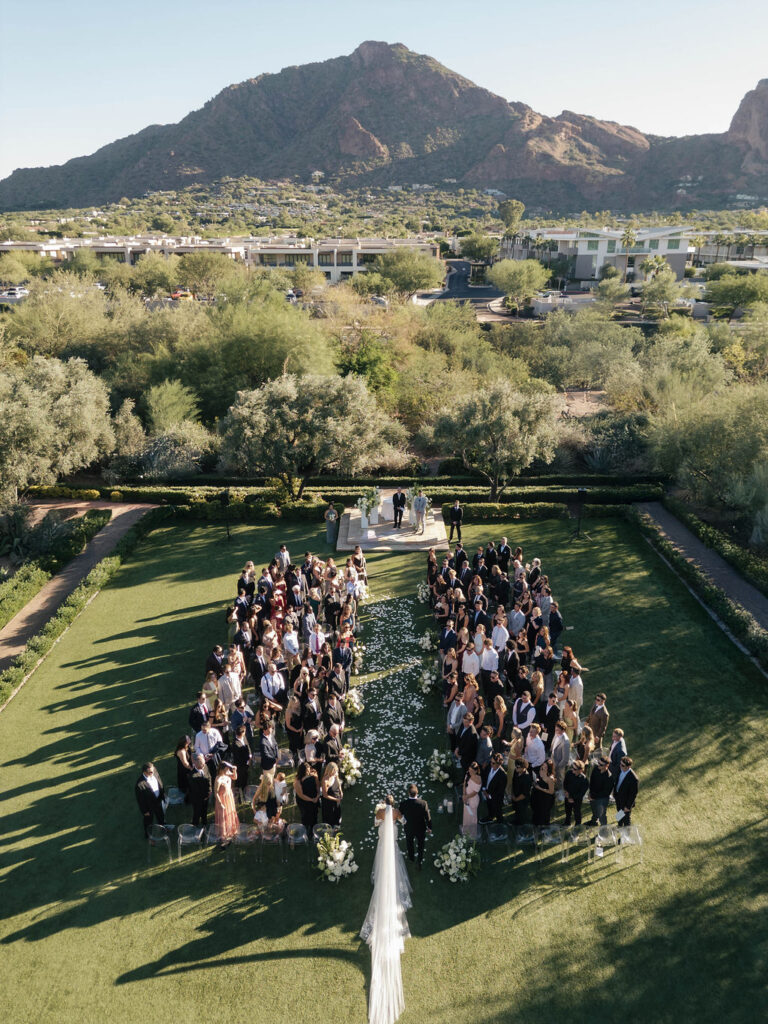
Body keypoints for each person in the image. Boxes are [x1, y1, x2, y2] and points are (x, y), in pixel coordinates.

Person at [361, 795, 413, 1024]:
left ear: (384, 802)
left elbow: (376, 820)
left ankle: (382, 887)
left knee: (381, 876)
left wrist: (382, 811)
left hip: (383, 849)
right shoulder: (396, 814)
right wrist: (397, 816)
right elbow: (402, 822)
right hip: (390, 849)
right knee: (390, 875)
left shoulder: (381, 813)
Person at [398, 784, 432, 866]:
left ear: (408, 793)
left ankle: (411, 857)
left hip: (409, 828)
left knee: (409, 842)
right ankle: (419, 859)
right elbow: (428, 817)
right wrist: (429, 827)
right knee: (421, 844)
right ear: (417, 792)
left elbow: (400, 814)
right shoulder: (423, 803)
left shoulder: (403, 804)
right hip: (420, 828)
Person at [135, 762, 166, 838]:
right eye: (151, 772)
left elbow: (159, 781)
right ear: (144, 772)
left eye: (153, 770)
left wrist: (162, 793)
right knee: (148, 820)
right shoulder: (140, 785)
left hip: (158, 799)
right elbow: (140, 800)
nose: (153, 772)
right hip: (149, 805)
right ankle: (148, 834)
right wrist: (145, 811)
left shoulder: (154, 771)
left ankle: (163, 826)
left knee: (160, 814)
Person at [214, 762, 239, 846]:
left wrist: (234, 770)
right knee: (223, 817)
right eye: (226, 769)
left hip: (229, 797)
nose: (227, 771)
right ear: (221, 769)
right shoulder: (218, 779)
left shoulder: (227, 774)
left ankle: (231, 831)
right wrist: (220, 803)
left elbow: (234, 777)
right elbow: (215, 793)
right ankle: (223, 836)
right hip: (222, 799)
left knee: (230, 814)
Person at [588, 755, 614, 826]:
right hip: (593, 795)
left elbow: (605, 793)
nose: (598, 765)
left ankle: (603, 829)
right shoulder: (596, 769)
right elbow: (591, 781)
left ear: (607, 766)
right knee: (594, 811)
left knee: (601, 815)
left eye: (601, 764)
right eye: (598, 763)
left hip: (602, 799)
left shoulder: (609, 777)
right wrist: (590, 793)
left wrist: (593, 796)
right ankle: (594, 822)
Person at [294, 761, 320, 834]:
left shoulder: (313, 775)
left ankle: (313, 828)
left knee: (314, 813)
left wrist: (317, 795)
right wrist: (312, 800)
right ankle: (305, 829)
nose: (308, 771)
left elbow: (317, 785)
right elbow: (301, 795)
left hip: (314, 796)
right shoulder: (298, 780)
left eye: (309, 769)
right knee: (306, 814)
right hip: (304, 800)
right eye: (307, 770)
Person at [613, 756, 638, 827]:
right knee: (619, 813)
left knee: (626, 820)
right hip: (618, 798)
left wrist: (628, 806)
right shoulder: (620, 769)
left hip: (626, 802)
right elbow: (617, 781)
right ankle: (619, 825)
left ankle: (626, 836)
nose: (620, 766)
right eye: (620, 764)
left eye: (623, 765)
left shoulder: (634, 779)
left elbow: (633, 794)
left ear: (628, 766)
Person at [188, 754, 212, 828]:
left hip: (206, 796)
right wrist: (204, 797)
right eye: (201, 764)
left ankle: (204, 823)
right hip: (197, 799)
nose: (203, 765)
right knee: (197, 812)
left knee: (204, 811)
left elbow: (209, 777)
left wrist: (210, 790)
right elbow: (196, 790)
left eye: (203, 763)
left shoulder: (205, 766)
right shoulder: (192, 776)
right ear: (195, 763)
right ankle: (195, 825)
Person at [563, 760, 589, 826]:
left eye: (574, 769)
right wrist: (566, 793)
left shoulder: (584, 780)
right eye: (572, 767)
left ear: (580, 770)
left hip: (577, 799)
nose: (572, 770)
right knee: (567, 811)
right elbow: (565, 783)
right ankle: (567, 822)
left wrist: (572, 798)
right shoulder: (569, 773)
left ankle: (578, 825)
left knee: (577, 812)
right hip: (568, 796)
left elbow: (581, 794)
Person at [483, 753, 507, 824]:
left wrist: (490, 796)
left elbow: (500, 790)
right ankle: (490, 817)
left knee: (498, 811)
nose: (491, 764)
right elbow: (485, 778)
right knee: (489, 806)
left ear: (499, 764)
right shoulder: (489, 767)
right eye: (491, 762)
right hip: (487, 791)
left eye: (493, 763)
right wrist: (484, 789)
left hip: (496, 797)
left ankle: (500, 824)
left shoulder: (502, 775)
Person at [531, 758, 555, 826]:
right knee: (536, 810)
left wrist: (539, 788)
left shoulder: (550, 778)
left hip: (545, 798)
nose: (543, 768)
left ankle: (543, 826)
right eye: (543, 766)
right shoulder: (540, 770)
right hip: (537, 795)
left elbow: (551, 792)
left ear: (549, 768)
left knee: (543, 813)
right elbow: (539, 778)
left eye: (545, 767)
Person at [461, 762, 482, 838]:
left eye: (472, 771)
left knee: (472, 816)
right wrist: (464, 795)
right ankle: (466, 830)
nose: (470, 772)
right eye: (469, 770)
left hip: (473, 800)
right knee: (466, 815)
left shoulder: (478, 779)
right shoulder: (467, 774)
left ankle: (472, 833)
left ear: (476, 771)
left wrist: (466, 797)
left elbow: (475, 792)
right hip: (466, 798)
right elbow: (464, 784)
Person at [509, 758, 533, 826]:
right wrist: (513, 794)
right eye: (515, 766)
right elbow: (513, 783)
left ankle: (520, 825)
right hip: (515, 795)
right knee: (516, 810)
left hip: (522, 799)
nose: (516, 768)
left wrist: (516, 799)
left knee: (521, 813)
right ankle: (516, 819)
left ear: (524, 767)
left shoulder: (527, 778)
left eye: (518, 767)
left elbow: (525, 793)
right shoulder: (516, 771)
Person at [321, 761, 343, 826]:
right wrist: (335, 799)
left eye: (336, 771)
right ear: (330, 771)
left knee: (337, 812)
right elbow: (325, 795)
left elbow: (338, 782)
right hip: (329, 802)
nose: (336, 773)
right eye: (334, 771)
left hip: (337, 798)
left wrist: (341, 791)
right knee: (330, 815)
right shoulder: (325, 781)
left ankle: (337, 824)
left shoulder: (335, 775)